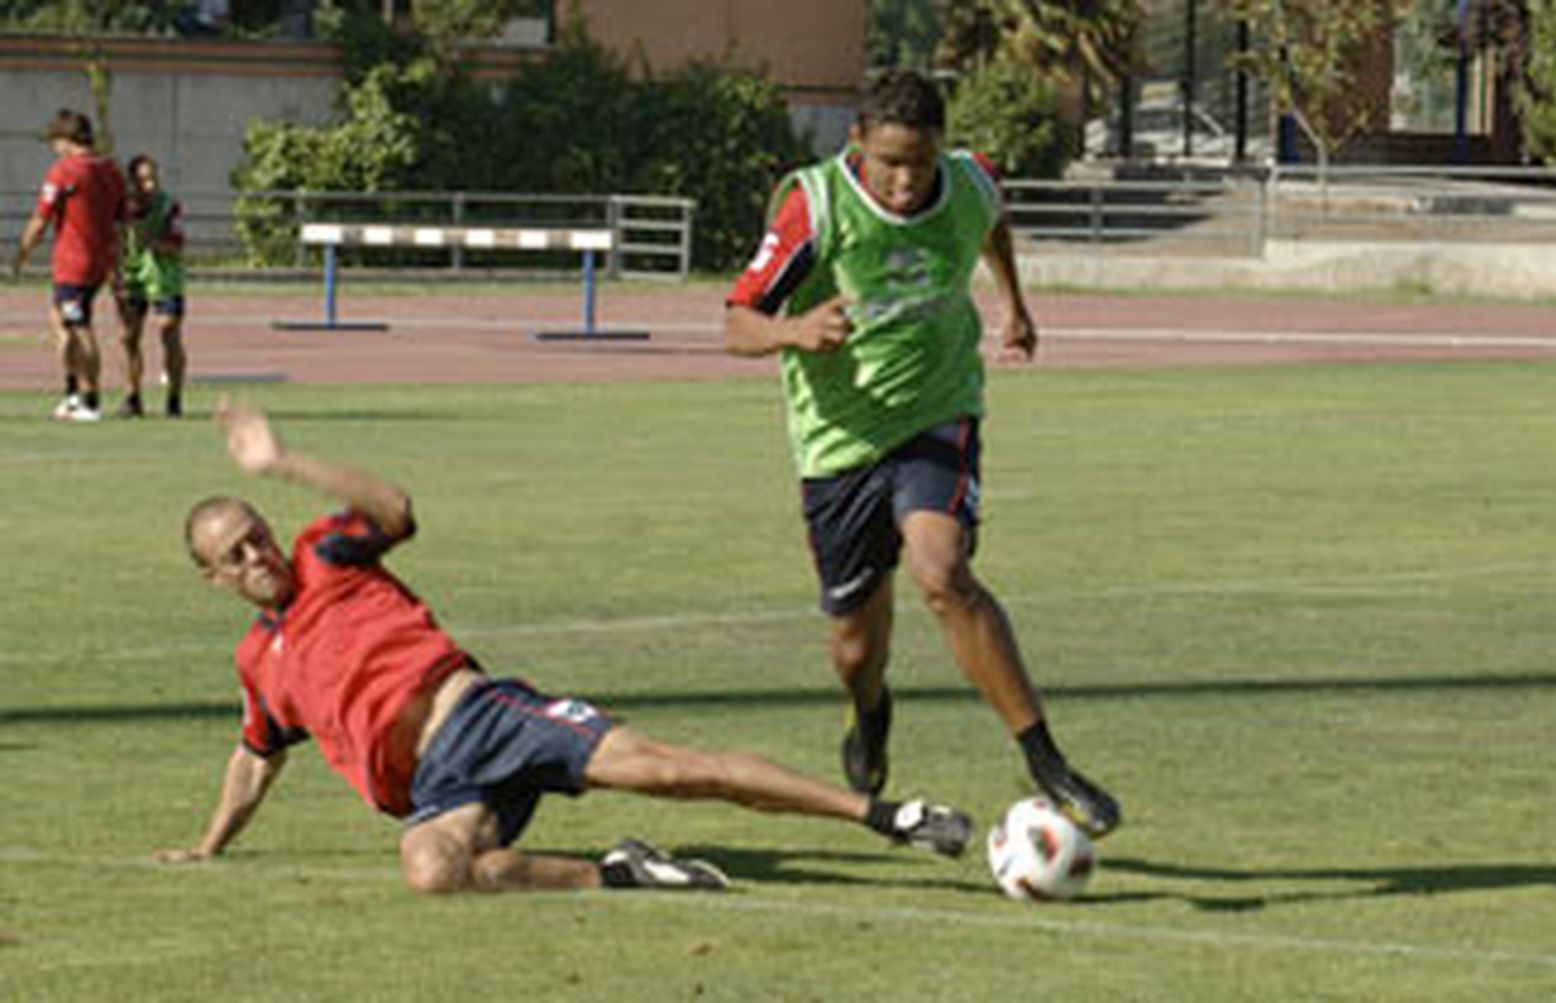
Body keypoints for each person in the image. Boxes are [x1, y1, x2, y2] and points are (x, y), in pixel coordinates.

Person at [157, 401, 972, 893]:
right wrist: (206, 845)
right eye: (234, 554)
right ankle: (619, 872)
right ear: (212, 578)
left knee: (675, 769)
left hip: (485, 716)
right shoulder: (258, 664)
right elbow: (255, 756)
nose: (257, 554)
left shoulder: (323, 553)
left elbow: (397, 508)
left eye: (254, 535)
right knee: (431, 870)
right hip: (442, 786)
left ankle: (886, 815)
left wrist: (281, 461)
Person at [723, 70, 1122, 838]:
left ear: (943, 148)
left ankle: (1045, 759)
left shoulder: (969, 182)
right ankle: (871, 712)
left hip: (940, 413)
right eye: (889, 163)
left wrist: (1013, 302)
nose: (906, 182)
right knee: (854, 645)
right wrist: (794, 332)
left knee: (943, 571)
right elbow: (737, 320)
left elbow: (990, 220)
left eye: (921, 162)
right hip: (838, 442)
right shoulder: (817, 205)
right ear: (857, 146)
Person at [10, 109, 126, 422]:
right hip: (99, 260)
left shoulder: (64, 172)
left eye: (55, 141)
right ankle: (72, 393)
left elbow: (40, 219)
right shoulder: (111, 170)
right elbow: (121, 219)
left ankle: (91, 400)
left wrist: (21, 254)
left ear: (66, 139)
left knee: (79, 326)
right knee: (60, 321)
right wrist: (117, 264)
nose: (53, 148)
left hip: (74, 263)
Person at [116, 154, 188, 419]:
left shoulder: (169, 206)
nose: (149, 185)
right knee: (128, 337)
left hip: (164, 278)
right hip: (133, 277)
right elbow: (116, 242)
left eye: (152, 178)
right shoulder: (122, 207)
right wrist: (117, 275)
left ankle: (174, 399)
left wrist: (155, 243)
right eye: (143, 180)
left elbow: (177, 245)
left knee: (169, 332)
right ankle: (132, 397)